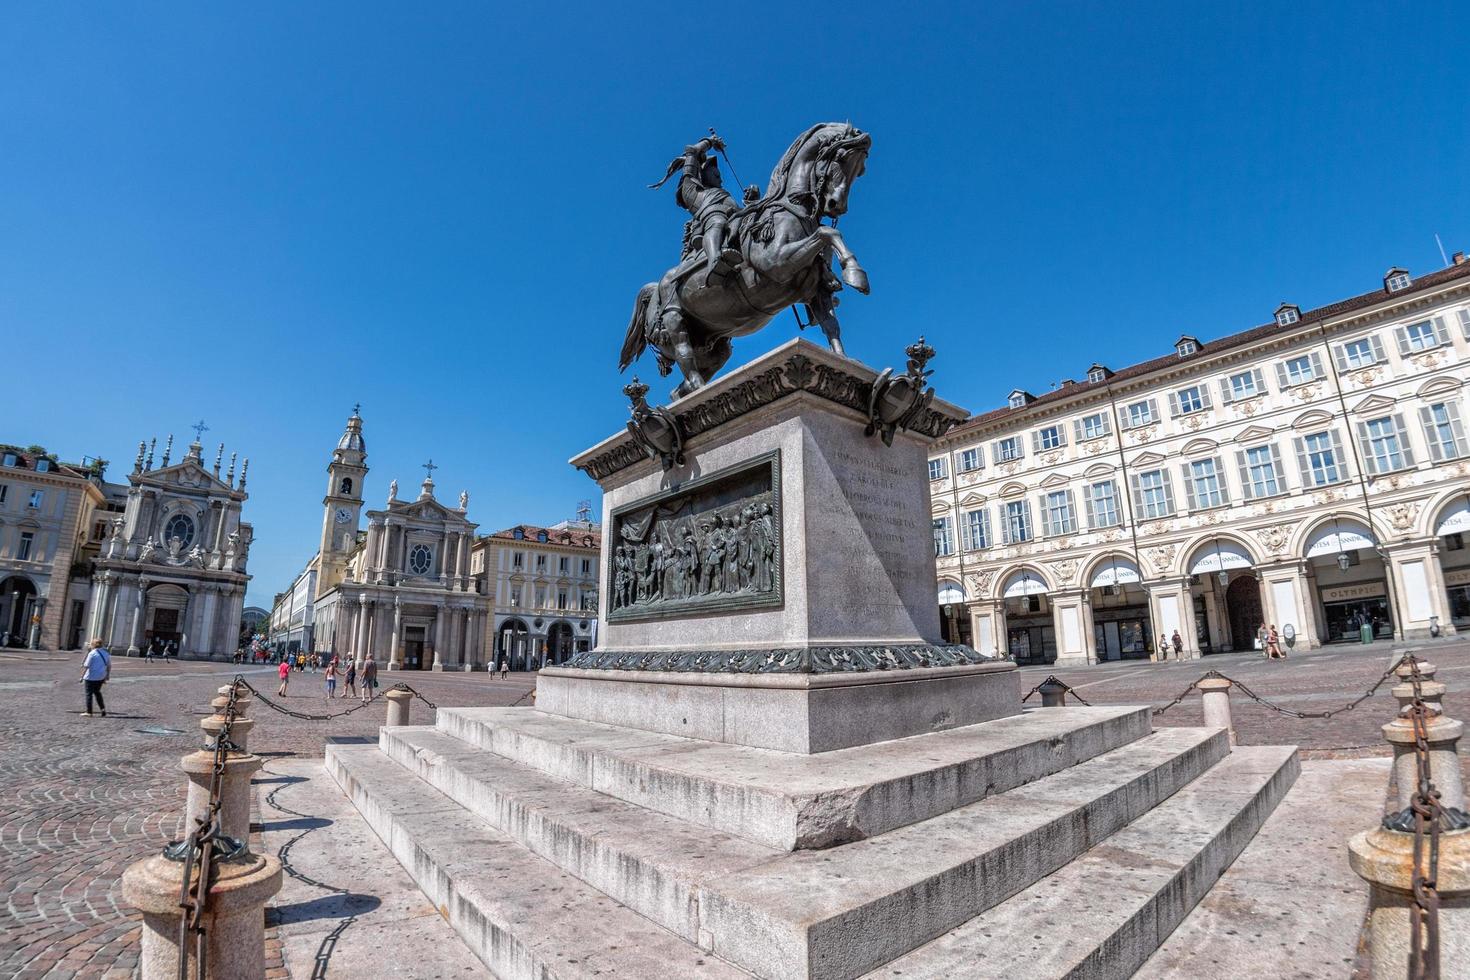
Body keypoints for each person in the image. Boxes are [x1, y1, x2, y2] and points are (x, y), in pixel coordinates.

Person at [80, 638, 111, 717]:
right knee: (97, 693)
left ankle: (89, 712)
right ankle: (102, 709)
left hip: (91, 676)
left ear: (93, 645)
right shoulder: (106, 653)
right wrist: (107, 676)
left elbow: (86, 666)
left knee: (89, 694)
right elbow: (109, 666)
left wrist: (81, 677)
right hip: (100, 677)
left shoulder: (92, 653)